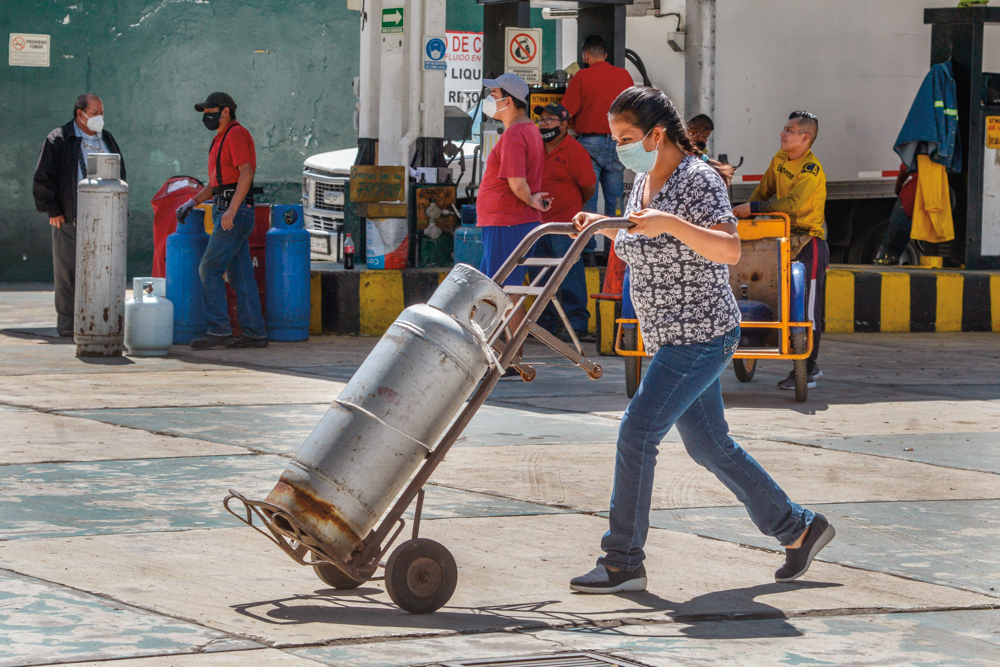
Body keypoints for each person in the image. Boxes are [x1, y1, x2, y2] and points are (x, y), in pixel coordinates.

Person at [570, 87, 834, 594]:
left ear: (656, 134)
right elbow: (641, 240)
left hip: (701, 332)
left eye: (626, 138)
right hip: (669, 335)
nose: (620, 148)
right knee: (709, 445)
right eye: (616, 138)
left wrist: (671, 222)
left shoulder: (699, 179)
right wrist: (603, 226)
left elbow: (729, 248)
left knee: (637, 432)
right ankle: (798, 528)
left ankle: (623, 560)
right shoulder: (644, 178)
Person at [732, 111, 827, 391]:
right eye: (784, 128)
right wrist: (745, 216)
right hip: (780, 239)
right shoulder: (780, 159)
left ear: (805, 137)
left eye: (789, 130)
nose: (783, 134)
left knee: (808, 310)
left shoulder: (811, 169)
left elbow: (792, 205)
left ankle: (808, 369)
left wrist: (755, 210)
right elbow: (763, 192)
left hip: (808, 243)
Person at [175, 92, 267, 350]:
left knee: (209, 268)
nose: (207, 116)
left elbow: (246, 173)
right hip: (228, 209)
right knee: (241, 275)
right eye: (204, 112)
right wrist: (191, 202)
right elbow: (217, 186)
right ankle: (254, 333)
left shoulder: (235, 134)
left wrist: (231, 210)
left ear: (225, 111)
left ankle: (219, 331)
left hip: (233, 214)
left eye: (210, 111)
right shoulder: (220, 138)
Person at [33, 94, 126, 337]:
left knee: (102, 270)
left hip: (104, 219)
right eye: (94, 113)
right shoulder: (60, 139)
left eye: (101, 113)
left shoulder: (107, 138)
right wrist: (53, 209)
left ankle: (98, 320)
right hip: (70, 217)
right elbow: (44, 176)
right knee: (68, 272)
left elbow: (120, 172)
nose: (100, 118)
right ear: (79, 114)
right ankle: (67, 325)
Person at [476, 73, 549, 365]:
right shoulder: (527, 131)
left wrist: (530, 199)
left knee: (505, 292)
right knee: (500, 289)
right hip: (509, 221)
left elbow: (517, 182)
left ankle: (512, 357)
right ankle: (502, 353)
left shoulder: (515, 135)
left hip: (507, 221)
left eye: (493, 94)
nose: (489, 100)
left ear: (509, 100)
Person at [528, 102, 597, 342]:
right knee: (538, 274)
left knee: (569, 274)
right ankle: (545, 323)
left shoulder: (574, 150)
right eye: (541, 120)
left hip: (565, 226)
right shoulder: (534, 147)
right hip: (536, 225)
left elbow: (588, 187)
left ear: (564, 125)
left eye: (549, 120)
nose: (544, 124)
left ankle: (576, 324)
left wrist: (570, 208)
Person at [562, 35, 635, 216]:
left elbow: (567, 111)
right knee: (616, 200)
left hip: (590, 145)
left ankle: (588, 243)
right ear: (606, 55)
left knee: (588, 201)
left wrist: (570, 86)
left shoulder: (581, 76)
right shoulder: (624, 76)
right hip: (618, 145)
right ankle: (616, 242)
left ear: (585, 56)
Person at [874, 163, 918, 265]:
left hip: (909, 200)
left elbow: (905, 168)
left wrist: (898, 187)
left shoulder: (918, 150)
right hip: (932, 203)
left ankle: (882, 271)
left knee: (891, 248)